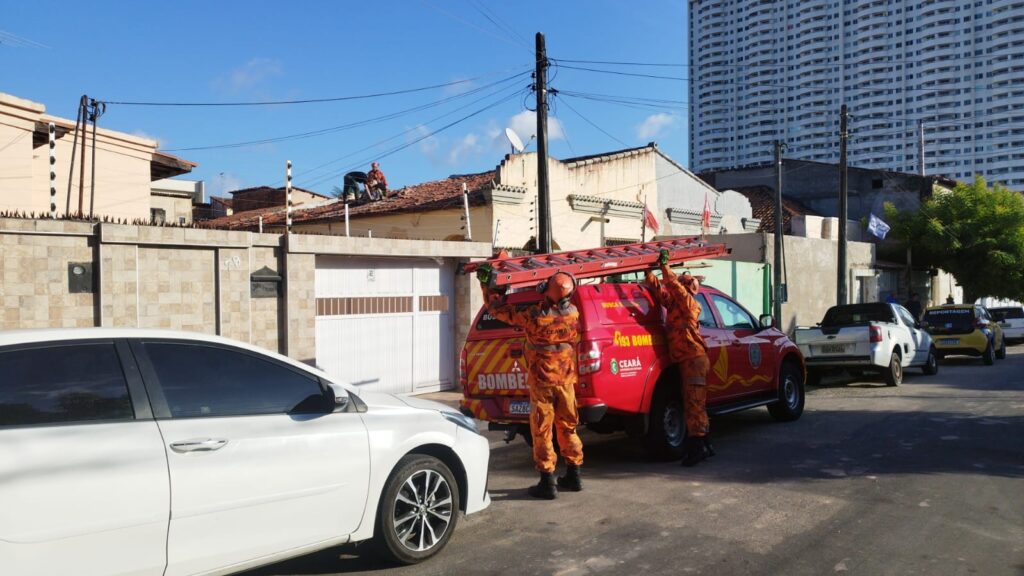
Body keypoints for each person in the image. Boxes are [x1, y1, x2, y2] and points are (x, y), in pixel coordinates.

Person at [478, 267, 584, 499]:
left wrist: (488, 288)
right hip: (566, 382)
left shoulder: (534, 315)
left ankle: (548, 482)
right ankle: (574, 475)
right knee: (568, 426)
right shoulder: (574, 313)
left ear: (546, 290)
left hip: (542, 381)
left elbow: (497, 311)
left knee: (543, 430)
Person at [644, 249, 713, 467]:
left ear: (686, 289)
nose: (677, 286)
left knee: (694, 403)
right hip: (688, 358)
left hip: (693, 358)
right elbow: (660, 291)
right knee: (694, 402)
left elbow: (672, 286)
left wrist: (665, 267)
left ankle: (698, 447)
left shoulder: (689, 304)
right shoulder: (675, 305)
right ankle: (706, 444)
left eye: (681, 284)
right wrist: (649, 273)